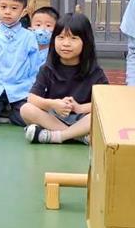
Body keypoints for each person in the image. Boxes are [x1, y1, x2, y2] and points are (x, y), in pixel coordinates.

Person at [22, 13, 108, 144]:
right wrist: (53, 104)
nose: (66, 43)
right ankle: (78, 136)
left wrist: (79, 108)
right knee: (26, 109)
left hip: (82, 119)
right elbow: (32, 98)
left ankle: (57, 136)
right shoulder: (47, 69)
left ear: (86, 42)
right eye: (61, 37)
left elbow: (105, 102)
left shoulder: (95, 72)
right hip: (54, 118)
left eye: (73, 38)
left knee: (102, 115)